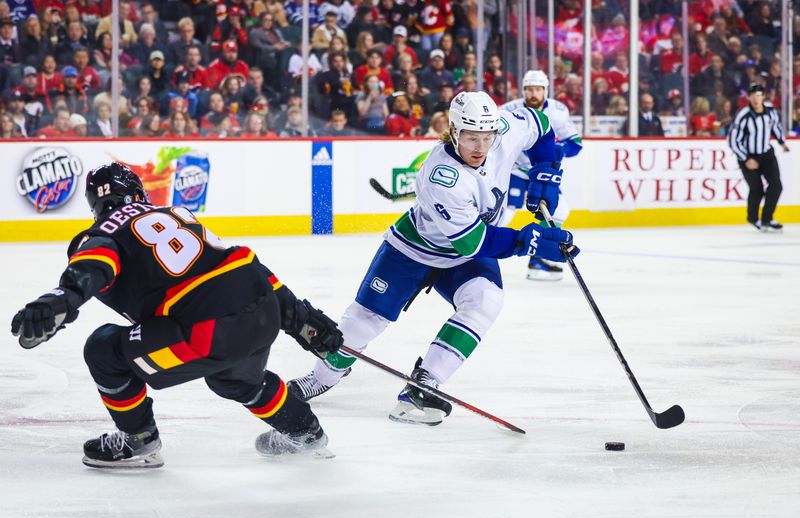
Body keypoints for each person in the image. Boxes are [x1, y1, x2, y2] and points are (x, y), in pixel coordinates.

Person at [10, 163, 344, 468]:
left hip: (207, 329)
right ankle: (306, 431)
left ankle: (138, 439)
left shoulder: (102, 234)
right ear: (139, 194)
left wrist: (59, 301)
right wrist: (300, 319)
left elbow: (93, 267)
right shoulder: (177, 213)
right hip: (262, 309)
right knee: (235, 379)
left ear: (95, 208)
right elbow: (239, 265)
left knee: (103, 349)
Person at [287, 91, 578, 425]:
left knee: (486, 300)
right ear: (453, 130)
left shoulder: (503, 130)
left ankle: (425, 383)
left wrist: (546, 168)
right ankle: (321, 378)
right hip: (415, 249)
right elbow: (474, 242)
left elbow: (540, 124)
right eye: (471, 138)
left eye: (486, 137)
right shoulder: (442, 175)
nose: (480, 147)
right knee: (362, 322)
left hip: (466, 252)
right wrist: (531, 240)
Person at [501, 70, 583, 281]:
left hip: (542, 172)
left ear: (545, 90)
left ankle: (539, 259)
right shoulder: (509, 110)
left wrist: (561, 149)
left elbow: (576, 143)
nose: (534, 93)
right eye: (529, 89)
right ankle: (478, 254)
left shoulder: (558, 111)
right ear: (523, 90)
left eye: (538, 89)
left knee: (560, 209)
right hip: (515, 171)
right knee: (505, 212)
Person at [727, 83, 790, 232]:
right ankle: (753, 218)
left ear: (763, 97)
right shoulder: (743, 115)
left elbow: (775, 126)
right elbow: (732, 140)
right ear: (748, 97)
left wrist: (782, 142)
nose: (756, 99)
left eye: (759, 95)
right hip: (748, 155)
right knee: (757, 189)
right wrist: (746, 158)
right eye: (753, 96)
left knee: (776, 186)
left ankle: (767, 218)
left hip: (766, 154)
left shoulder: (770, 111)